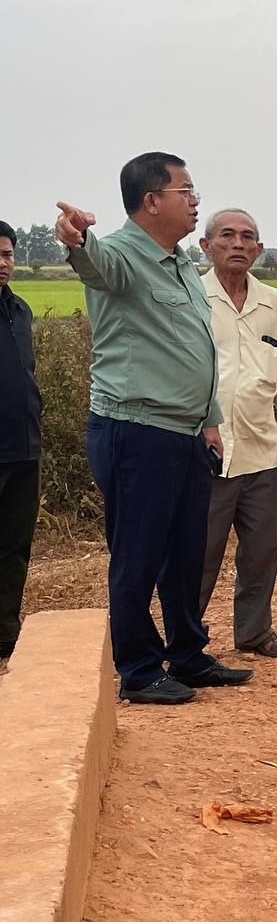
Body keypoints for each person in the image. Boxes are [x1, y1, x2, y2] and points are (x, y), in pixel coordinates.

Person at [54, 153, 253, 704]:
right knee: (138, 554)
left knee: (186, 551)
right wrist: (76, 238)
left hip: (184, 432)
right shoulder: (121, 254)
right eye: (185, 191)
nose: (195, 201)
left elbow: (193, 347)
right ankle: (139, 669)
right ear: (151, 201)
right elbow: (93, 262)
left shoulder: (179, 262)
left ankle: (188, 654)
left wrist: (209, 422)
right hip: (136, 430)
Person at [197, 208, 277, 658]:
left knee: (261, 550)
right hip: (207, 449)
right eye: (227, 235)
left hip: (261, 447)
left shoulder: (275, 304)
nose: (238, 244)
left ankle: (255, 631)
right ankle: (185, 636)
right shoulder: (192, 298)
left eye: (247, 237)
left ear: (259, 249)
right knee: (200, 552)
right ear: (206, 246)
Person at [0, 221, 40, 672]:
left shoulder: (20, 310)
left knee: (14, 547)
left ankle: (5, 637)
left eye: (8, 254)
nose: (3, 263)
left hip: (24, 447)